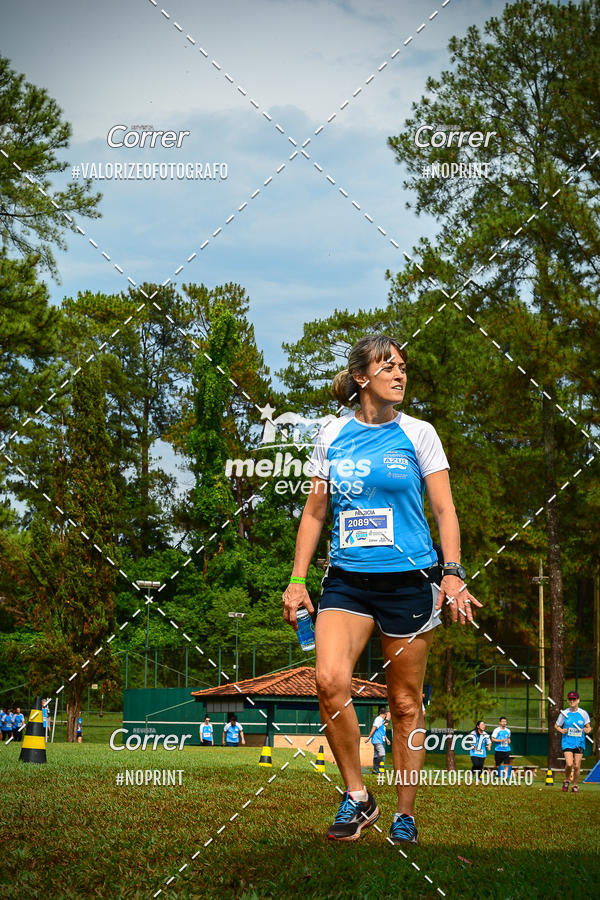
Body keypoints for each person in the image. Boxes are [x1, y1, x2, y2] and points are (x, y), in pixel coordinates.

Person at [282, 334, 481, 846]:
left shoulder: (420, 434)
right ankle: (358, 796)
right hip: (347, 580)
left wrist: (452, 572)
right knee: (328, 681)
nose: (399, 373)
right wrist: (297, 579)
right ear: (363, 377)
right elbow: (314, 512)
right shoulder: (332, 435)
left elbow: (444, 511)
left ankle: (405, 812)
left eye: (403, 366)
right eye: (387, 365)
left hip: (410, 583)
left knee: (405, 701)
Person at [555, 691, 591, 793]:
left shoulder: (583, 713)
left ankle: (575, 785)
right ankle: (566, 780)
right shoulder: (564, 713)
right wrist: (561, 730)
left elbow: (589, 727)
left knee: (577, 766)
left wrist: (587, 730)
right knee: (569, 764)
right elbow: (556, 725)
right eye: (570, 699)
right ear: (567, 701)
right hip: (567, 742)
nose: (572, 701)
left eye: (574, 699)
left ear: (578, 700)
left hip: (579, 742)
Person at [365, 706, 391, 774]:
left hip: (380, 740)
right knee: (382, 753)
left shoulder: (382, 720)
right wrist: (368, 737)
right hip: (377, 740)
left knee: (376, 755)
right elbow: (374, 728)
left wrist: (387, 739)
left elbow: (382, 731)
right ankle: (377, 768)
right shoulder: (378, 719)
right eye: (386, 715)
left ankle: (375, 770)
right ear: (384, 714)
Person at [491, 717, 512, 781]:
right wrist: (500, 740)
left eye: (505, 721)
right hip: (498, 750)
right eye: (502, 721)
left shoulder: (508, 730)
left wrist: (509, 741)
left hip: (506, 750)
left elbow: (508, 738)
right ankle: (494, 774)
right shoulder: (496, 730)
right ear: (500, 722)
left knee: (506, 765)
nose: (504, 723)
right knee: (497, 766)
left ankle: (504, 778)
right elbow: (493, 739)